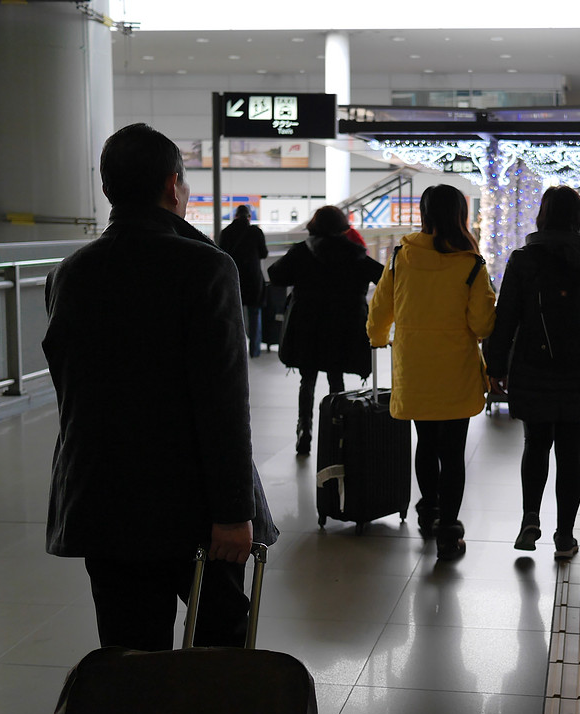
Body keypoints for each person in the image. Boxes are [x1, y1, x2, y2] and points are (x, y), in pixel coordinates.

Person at [42, 123, 278, 651]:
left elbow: (71, 393)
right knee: (217, 660)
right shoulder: (206, 266)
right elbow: (222, 401)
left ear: (108, 189)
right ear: (174, 186)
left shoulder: (69, 273)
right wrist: (234, 511)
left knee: (129, 661)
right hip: (194, 506)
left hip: (101, 500)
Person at [486, 186, 580, 561]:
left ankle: (529, 519)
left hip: (532, 367)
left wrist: (496, 366)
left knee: (535, 444)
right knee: (571, 454)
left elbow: (505, 318)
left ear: (543, 216)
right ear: (579, 218)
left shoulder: (523, 260)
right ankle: (565, 537)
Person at [367, 184, 496, 560]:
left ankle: (429, 510)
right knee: (453, 452)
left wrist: (377, 339)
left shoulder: (400, 258)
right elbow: (483, 324)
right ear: (461, 215)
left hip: (414, 365)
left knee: (425, 442)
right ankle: (448, 530)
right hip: (455, 367)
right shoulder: (471, 264)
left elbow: (380, 309)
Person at [268, 205, 384, 455]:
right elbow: (383, 277)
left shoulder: (302, 252)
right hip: (343, 328)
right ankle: (338, 428)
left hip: (308, 327)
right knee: (336, 378)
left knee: (307, 380)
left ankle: (305, 430)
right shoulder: (356, 254)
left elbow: (275, 275)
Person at [218, 204, 268, 357]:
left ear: (235, 216)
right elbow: (263, 253)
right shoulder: (255, 231)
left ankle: (235, 351)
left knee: (233, 315)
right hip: (253, 278)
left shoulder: (226, 232)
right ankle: (254, 351)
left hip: (233, 277)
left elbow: (221, 254)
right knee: (255, 315)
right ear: (249, 217)